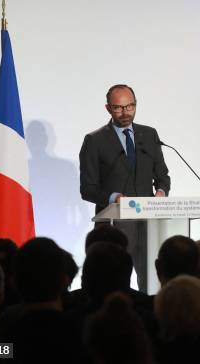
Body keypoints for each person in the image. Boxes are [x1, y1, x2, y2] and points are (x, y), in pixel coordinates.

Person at [80, 84, 170, 292]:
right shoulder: (95, 140)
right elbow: (88, 188)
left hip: (148, 225)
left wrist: (161, 192)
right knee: (112, 284)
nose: (125, 113)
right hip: (113, 228)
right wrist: (113, 197)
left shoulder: (149, 135)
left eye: (130, 107)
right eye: (119, 108)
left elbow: (163, 176)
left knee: (150, 284)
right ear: (108, 108)